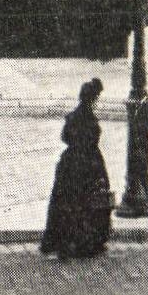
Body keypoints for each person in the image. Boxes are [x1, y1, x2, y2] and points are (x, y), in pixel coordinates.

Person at [40, 78, 113, 259]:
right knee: (89, 200)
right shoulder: (91, 120)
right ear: (93, 99)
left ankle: (63, 241)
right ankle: (86, 241)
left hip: (70, 162)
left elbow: (65, 137)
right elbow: (92, 141)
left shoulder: (72, 117)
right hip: (89, 162)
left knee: (66, 202)